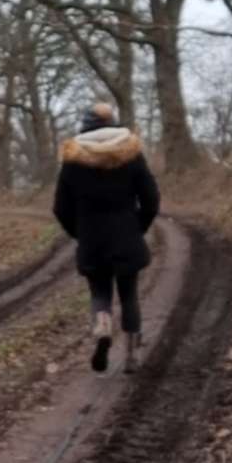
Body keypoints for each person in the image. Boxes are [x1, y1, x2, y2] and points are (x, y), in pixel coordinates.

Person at [53, 101, 160, 374]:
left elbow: (60, 208)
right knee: (129, 295)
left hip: (92, 240)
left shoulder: (73, 161)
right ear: (113, 122)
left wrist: (79, 233)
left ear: (85, 126)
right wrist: (139, 227)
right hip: (126, 236)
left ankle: (102, 327)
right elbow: (151, 199)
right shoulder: (131, 154)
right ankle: (131, 356)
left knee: (100, 292)